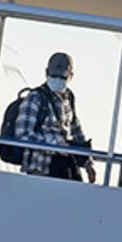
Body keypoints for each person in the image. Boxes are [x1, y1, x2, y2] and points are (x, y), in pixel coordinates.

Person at [16, 52, 96, 182]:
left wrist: (88, 163)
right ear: (46, 73)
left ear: (71, 77)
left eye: (62, 77)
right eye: (53, 76)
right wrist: (55, 146)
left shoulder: (69, 98)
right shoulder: (35, 98)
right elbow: (23, 135)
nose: (57, 80)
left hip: (64, 168)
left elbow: (76, 131)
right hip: (40, 169)